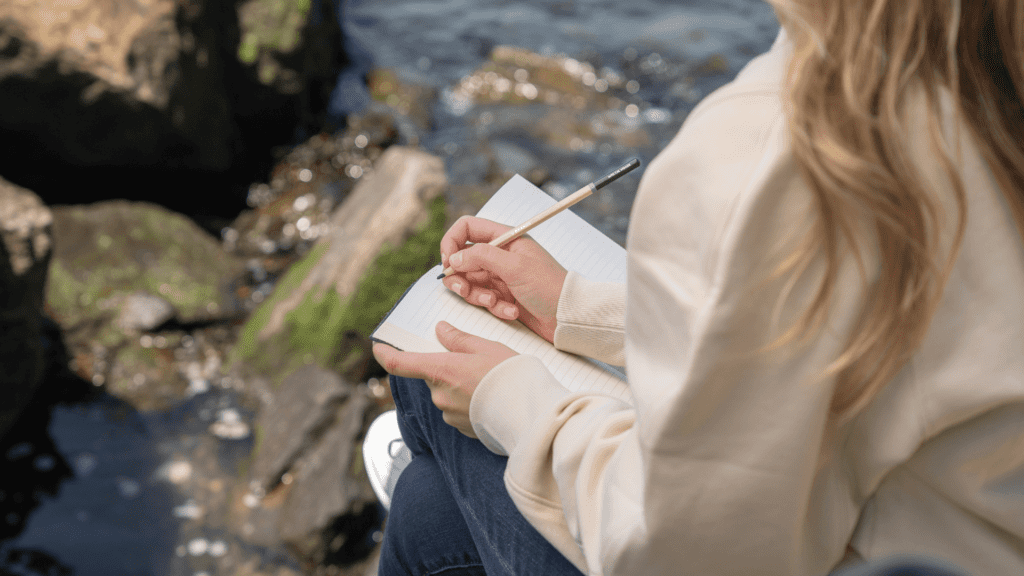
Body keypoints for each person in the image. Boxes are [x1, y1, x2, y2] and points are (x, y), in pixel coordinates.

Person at [369, 0, 1024, 574]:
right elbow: (846, 333)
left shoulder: (794, 145)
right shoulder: (984, 66)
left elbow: (682, 556)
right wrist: (578, 308)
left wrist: (512, 402)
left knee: (434, 414)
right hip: (967, 532)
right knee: (430, 512)